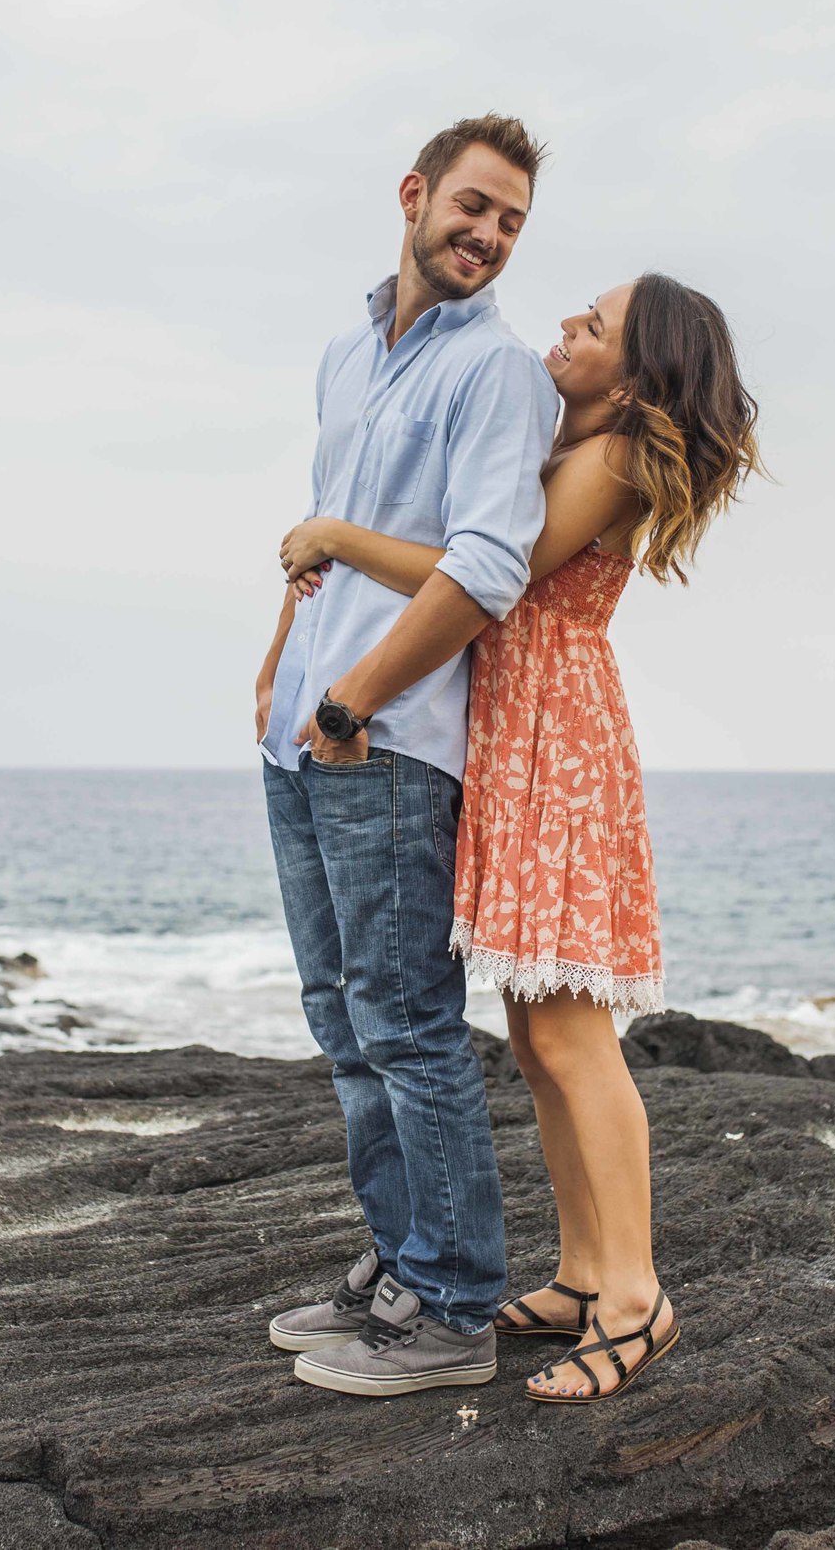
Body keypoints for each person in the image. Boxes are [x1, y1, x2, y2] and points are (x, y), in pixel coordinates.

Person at [276, 272, 762, 1402]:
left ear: (637, 374)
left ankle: (637, 1297)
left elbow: (487, 575)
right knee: (536, 1036)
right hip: (517, 734)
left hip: (556, 739)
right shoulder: (576, 439)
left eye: (592, 327)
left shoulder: (617, 458)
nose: (565, 329)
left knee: (575, 1037)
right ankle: (584, 1269)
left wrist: (337, 535)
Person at [256, 113, 559, 1397]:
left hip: (387, 741)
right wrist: (280, 666)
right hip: (305, 735)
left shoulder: (499, 375)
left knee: (406, 1027)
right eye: (473, 206)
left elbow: (488, 565)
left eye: (509, 222)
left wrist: (351, 699)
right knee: (342, 1023)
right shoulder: (344, 352)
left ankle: (450, 1309)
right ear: (414, 192)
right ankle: (400, 1262)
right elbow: (326, 539)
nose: (486, 235)